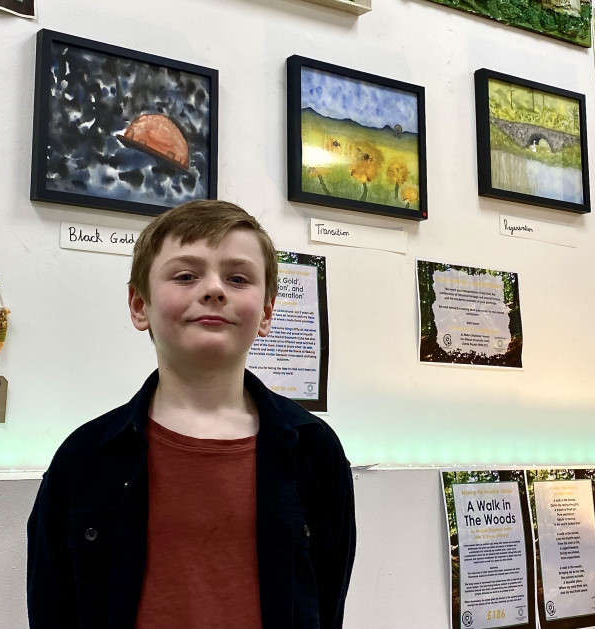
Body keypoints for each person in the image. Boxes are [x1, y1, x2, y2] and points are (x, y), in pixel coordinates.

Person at [27, 200, 356, 629]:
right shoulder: (85, 457)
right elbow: (53, 607)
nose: (214, 289)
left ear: (267, 312)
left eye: (238, 278)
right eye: (186, 275)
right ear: (139, 304)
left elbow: (327, 602)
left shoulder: (316, 450)